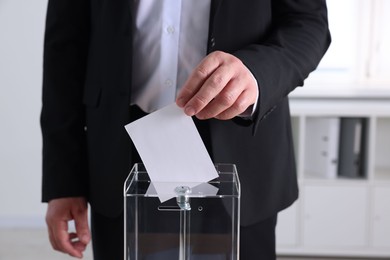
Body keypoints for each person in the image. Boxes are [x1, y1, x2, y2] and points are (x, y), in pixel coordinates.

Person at [41, 0, 330, 259]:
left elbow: (308, 23)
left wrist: (256, 72)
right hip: (123, 151)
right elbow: (64, 50)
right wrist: (64, 183)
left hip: (240, 148)